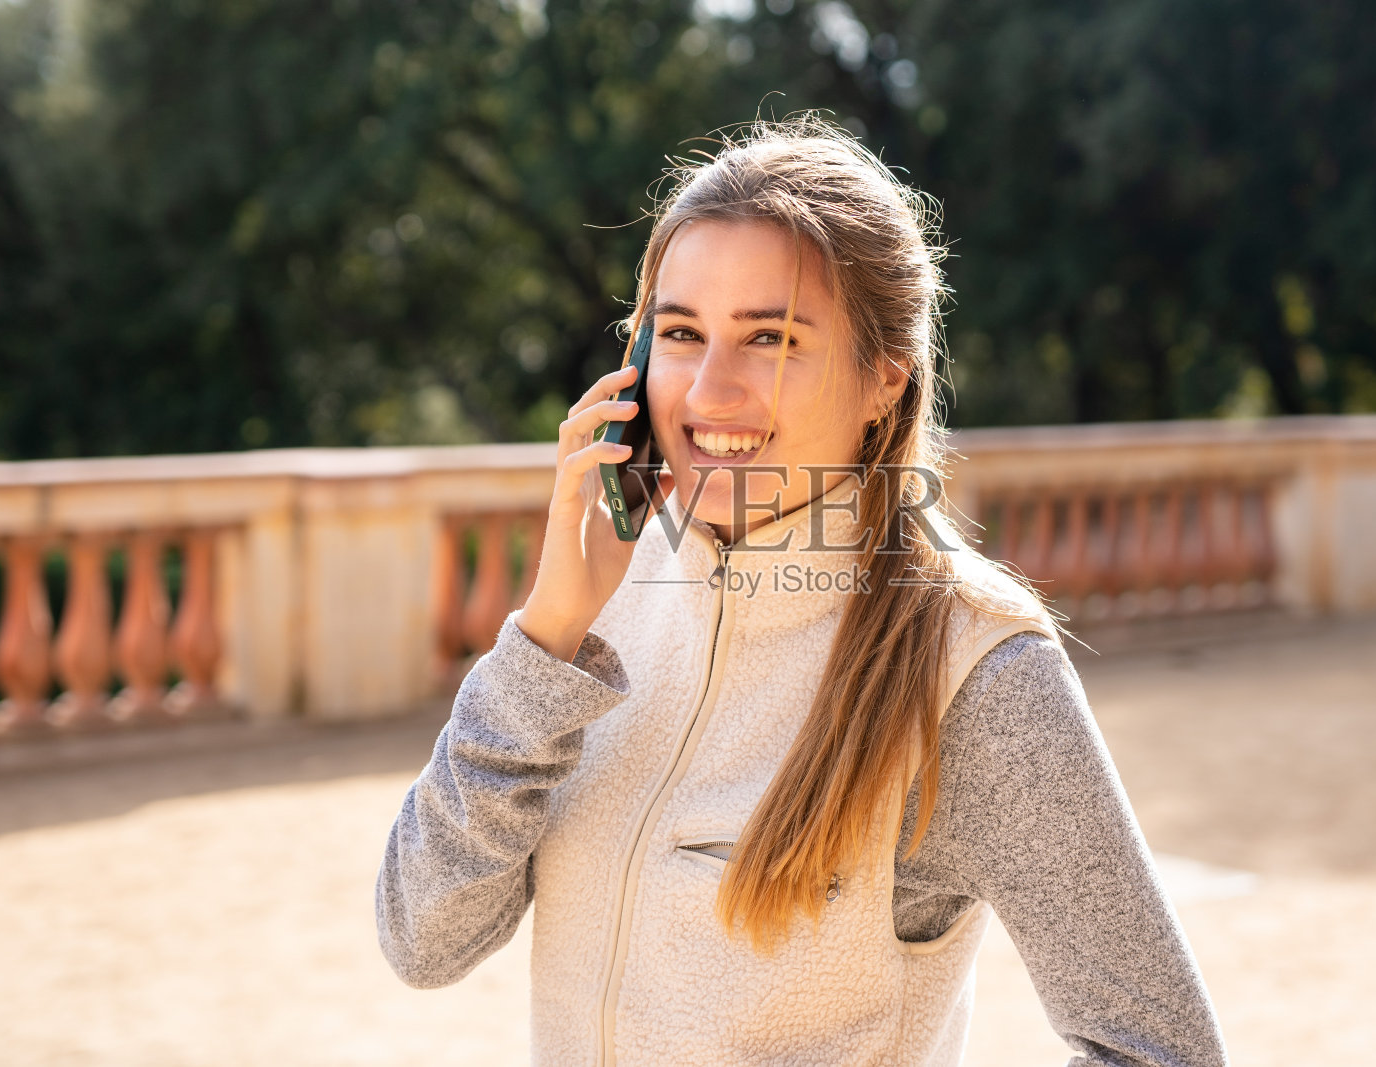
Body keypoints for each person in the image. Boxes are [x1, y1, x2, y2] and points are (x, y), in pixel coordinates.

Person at [375, 113, 1227, 1067]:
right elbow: (423, 940)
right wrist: (547, 637)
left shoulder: (976, 668)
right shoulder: (598, 608)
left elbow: (1163, 1050)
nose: (707, 392)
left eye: (771, 339)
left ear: (882, 379)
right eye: (682, 333)